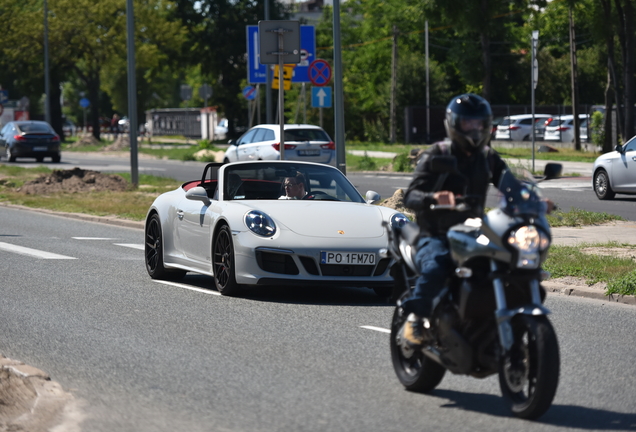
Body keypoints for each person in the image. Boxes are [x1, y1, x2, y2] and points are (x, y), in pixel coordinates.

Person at [400, 93, 553, 346]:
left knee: (509, 260)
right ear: (454, 124)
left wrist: (534, 202)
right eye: (468, 123)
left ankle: (486, 319)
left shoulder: (487, 157)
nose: (474, 129)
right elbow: (410, 196)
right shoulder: (435, 154)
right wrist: (433, 198)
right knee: (438, 264)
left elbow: (511, 186)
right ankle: (416, 319)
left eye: (479, 123)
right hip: (434, 233)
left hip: (472, 230)